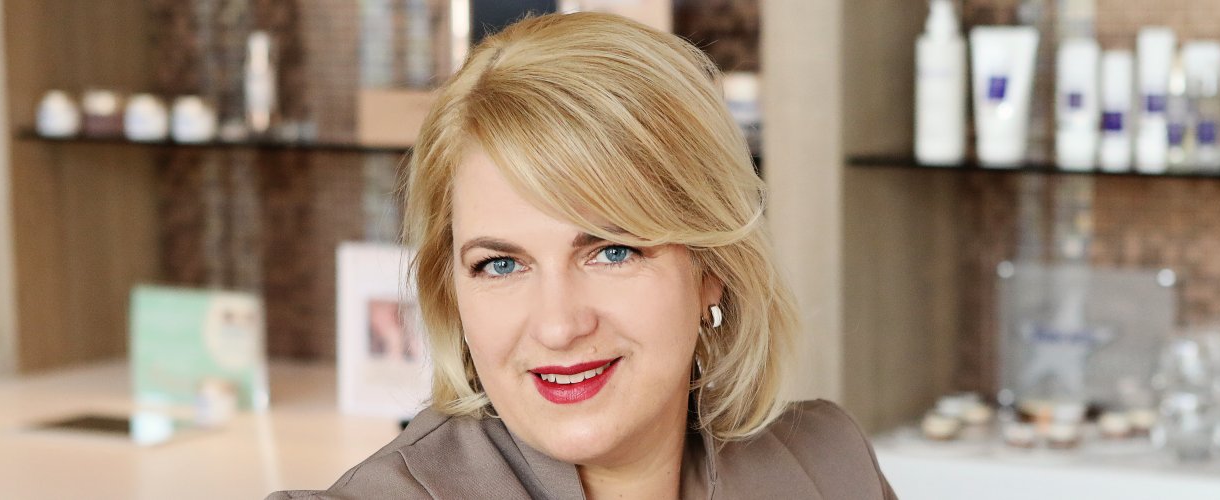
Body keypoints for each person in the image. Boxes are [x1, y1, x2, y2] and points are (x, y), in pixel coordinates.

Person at [272, 12, 894, 500]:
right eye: (501, 265)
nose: (558, 325)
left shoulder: (829, 466)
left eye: (612, 251)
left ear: (712, 267)